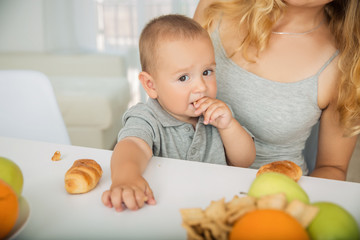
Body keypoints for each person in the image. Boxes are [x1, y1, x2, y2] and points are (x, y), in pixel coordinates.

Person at [102, 14, 256, 212]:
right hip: (162, 207)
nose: (201, 86)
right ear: (151, 85)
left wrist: (229, 126)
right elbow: (132, 147)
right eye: (183, 77)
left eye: (207, 72)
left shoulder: (218, 114)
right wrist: (126, 178)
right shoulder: (146, 118)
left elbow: (244, 161)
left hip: (215, 207)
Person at [194, 0, 360, 181]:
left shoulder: (347, 65)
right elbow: (163, 90)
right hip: (184, 180)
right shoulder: (216, 5)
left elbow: (332, 167)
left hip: (272, 198)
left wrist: (291, 205)